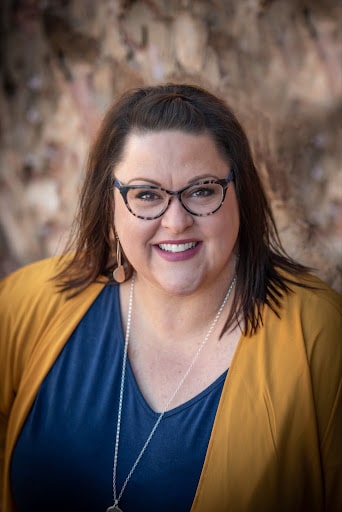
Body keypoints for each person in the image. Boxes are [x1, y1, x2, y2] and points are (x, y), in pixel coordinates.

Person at [0, 83, 341, 512]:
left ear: (241, 192)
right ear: (110, 203)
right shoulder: (25, 304)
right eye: (146, 195)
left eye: (202, 190)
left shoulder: (319, 334)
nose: (176, 221)